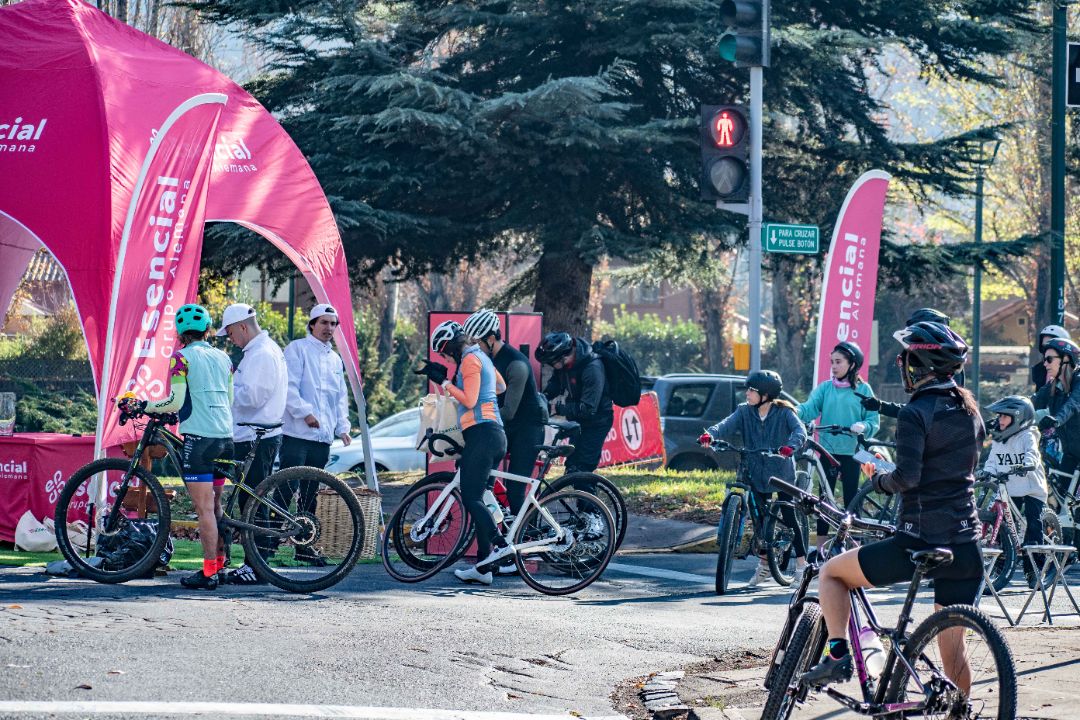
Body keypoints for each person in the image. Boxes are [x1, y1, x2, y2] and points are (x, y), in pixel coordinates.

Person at [802, 321, 984, 691]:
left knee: (831, 574)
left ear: (918, 365)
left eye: (905, 359)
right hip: (966, 546)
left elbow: (908, 478)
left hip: (920, 540)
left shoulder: (916, 412)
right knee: (954, 652)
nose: (902, 365)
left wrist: (878, 479)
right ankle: (960, 713)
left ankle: (837, 656)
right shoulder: (969, 410)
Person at [136, 304, 234, 590]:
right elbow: (228, 399)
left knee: (204, 509)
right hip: (225, 438)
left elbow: (175, 401)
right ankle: (219, 565)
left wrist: (144, 405)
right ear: (208, 330)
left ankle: (208, 573)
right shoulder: (224, 357)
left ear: (180, 334)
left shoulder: (181, 358)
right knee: (216, 505)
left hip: (200, 440)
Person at [698, 370, 809, 587]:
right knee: (760, 520)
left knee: (789, 516)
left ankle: (801, 566)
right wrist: (710, 434)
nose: (747, 393)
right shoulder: (744, 411)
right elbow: (724, 425)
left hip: (781, 472)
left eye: (752, 390)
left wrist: (790, 447)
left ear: (765, 395)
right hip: (755, 470)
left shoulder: (784, 413)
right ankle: (765, 565)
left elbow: (800, 431)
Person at [418, 320, 508, 586]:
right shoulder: (483, 357)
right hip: (495, 434)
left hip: (481, 434)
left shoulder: (469, 360)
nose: (445, 359)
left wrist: (446, 382)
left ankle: (501, 545)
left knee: (471, 497)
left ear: (450, 348)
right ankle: (484, 566)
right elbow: (501, 387)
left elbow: (469, 400)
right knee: (481, 500)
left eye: (444, 354)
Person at [216, 302, 287, 585]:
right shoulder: (259, 352)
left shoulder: (261, 354)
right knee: (252, 500)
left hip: (256, 436)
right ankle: (257, 562)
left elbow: (252, 398)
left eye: (231, 333)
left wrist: (224, 391)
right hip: (254, 433)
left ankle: (257, 565)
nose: (230, 338)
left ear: (242, 327)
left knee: (253, 502)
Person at [280, 303, 353, 565]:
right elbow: (288, 387)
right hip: (297, 434)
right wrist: (305, 413)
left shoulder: (335, 359)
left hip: (322, 438)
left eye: (333, 324)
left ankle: (304, 546)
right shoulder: (297, 349)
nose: (329, 328)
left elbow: (340, 397)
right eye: (324, 322)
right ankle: (267, 544)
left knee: (311, 494)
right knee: (286, 488)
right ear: (312, 324)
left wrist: (342, 427)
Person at [462, 309, 546, 521]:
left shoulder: (516, 365)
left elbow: (508, 412)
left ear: (491, 339)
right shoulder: (485, 359)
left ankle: (528, 535)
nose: (473, 348)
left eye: (476, 342)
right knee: (484, 484)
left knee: (515, 490)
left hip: (527, 429)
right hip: (504, 427)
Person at [798, 341, 880, 533]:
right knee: (824, 502)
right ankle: (820, 546)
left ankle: (854, 543)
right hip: (827, 451)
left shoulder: (864, 390)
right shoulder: (825, 388)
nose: (834, 366)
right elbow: (809, 408)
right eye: (832, 362)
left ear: (852, 364)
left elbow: (873, 420)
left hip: (853, 453)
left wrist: (864, 426)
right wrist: (795, 411)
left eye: (839, 362)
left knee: (852, 500)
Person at [983, 395, 1047, 588]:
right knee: (1002, 526)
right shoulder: (999, 438)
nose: (1000, 419)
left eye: (1005, 416)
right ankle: (1000, 568)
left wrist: (1027, 464)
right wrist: (986, 472)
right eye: (999, 416)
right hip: (1010, 488)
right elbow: (992, 460)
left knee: (1033, 528)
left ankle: (1034, 571)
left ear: (1019, 418)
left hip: (1031, 488)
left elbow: (1032, 453)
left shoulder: (1028, 435)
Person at [535, 332, 613, 479]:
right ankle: (579, 491)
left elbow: (588, 409)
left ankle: (588, 494)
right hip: (579, 420)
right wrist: (543, 398)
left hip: (598, 421)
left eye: (552, 363)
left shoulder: (592, 368)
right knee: (572, 465)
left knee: (582, 467)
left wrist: (558, 409)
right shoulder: (565, 364)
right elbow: (555, 384)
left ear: (564, 356)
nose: (552, 366)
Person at [858, 307, 954, 419]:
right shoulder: (938, 362)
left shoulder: (946, 366)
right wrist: (881, 406)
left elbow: (925, 413)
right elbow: (918, 411)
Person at [1033, 337, 1080, 485]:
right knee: (1061, 495)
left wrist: (1057, 419)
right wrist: (1007, 415)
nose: (1045, 363)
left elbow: (1073, 405)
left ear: (1066, 359)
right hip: (1071, 453)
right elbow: (1033, 401)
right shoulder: (1055, 386)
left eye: (1049, 359)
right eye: (1044, 359)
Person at [1030, 325, 1072, 392]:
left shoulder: (1076, 375)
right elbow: (1038, 397)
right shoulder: (1040, 371)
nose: (1047, 350)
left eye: (1051, 346)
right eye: (1044, 347)